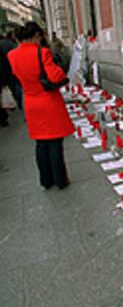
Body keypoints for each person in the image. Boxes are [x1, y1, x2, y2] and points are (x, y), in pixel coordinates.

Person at [7, 21, 74, 189]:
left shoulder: (12, 55)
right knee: (55, 142)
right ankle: (60, 179)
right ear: (36, 35)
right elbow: (54, 76)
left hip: (30, 100)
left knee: (40, 143)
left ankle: (46, 180)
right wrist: (59, 70)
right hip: (48, 100)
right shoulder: (41, 52)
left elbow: (16, 75)